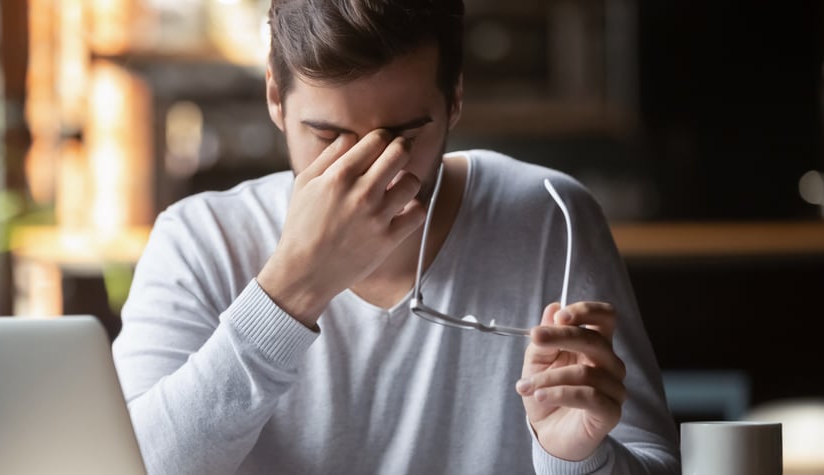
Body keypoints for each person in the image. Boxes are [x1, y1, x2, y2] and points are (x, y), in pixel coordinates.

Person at [111, 0, 680, 473]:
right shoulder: (200, 241)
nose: (371, 169)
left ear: (454, 101)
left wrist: (573, 456)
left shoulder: (548, 216)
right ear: (275, 99)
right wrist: (291, 291)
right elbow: (128, 467)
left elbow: (653, 460)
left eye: (404, 135)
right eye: (328, 135)